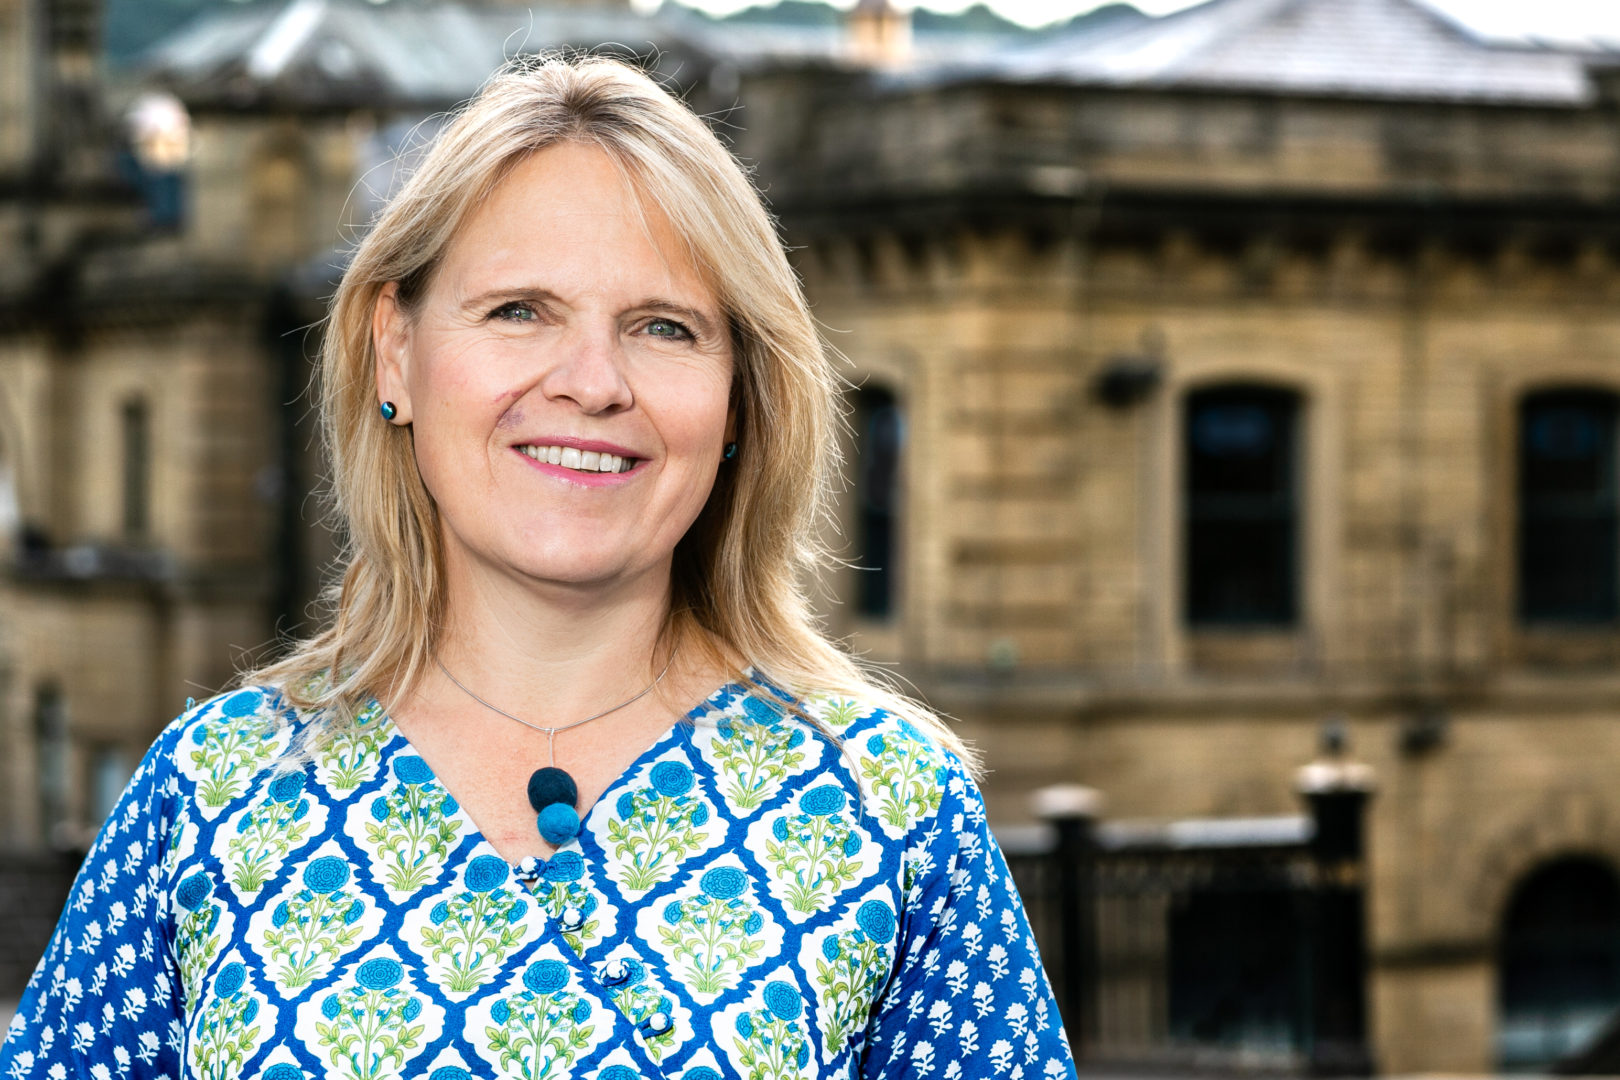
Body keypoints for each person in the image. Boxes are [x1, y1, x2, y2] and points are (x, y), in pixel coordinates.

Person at [0, 56, 1077, 1080]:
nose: (593, 382)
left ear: (741, 396)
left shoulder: (887, 811)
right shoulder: (215, 795)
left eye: (664, 327)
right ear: (396, 352)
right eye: (521, 311)